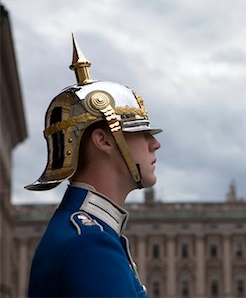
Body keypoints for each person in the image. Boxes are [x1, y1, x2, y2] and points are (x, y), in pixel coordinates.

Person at [26, 34, 161, 298]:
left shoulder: (90, 232)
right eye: (140, 132)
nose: (154, 143)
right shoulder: (90, 243)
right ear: (104, 140)